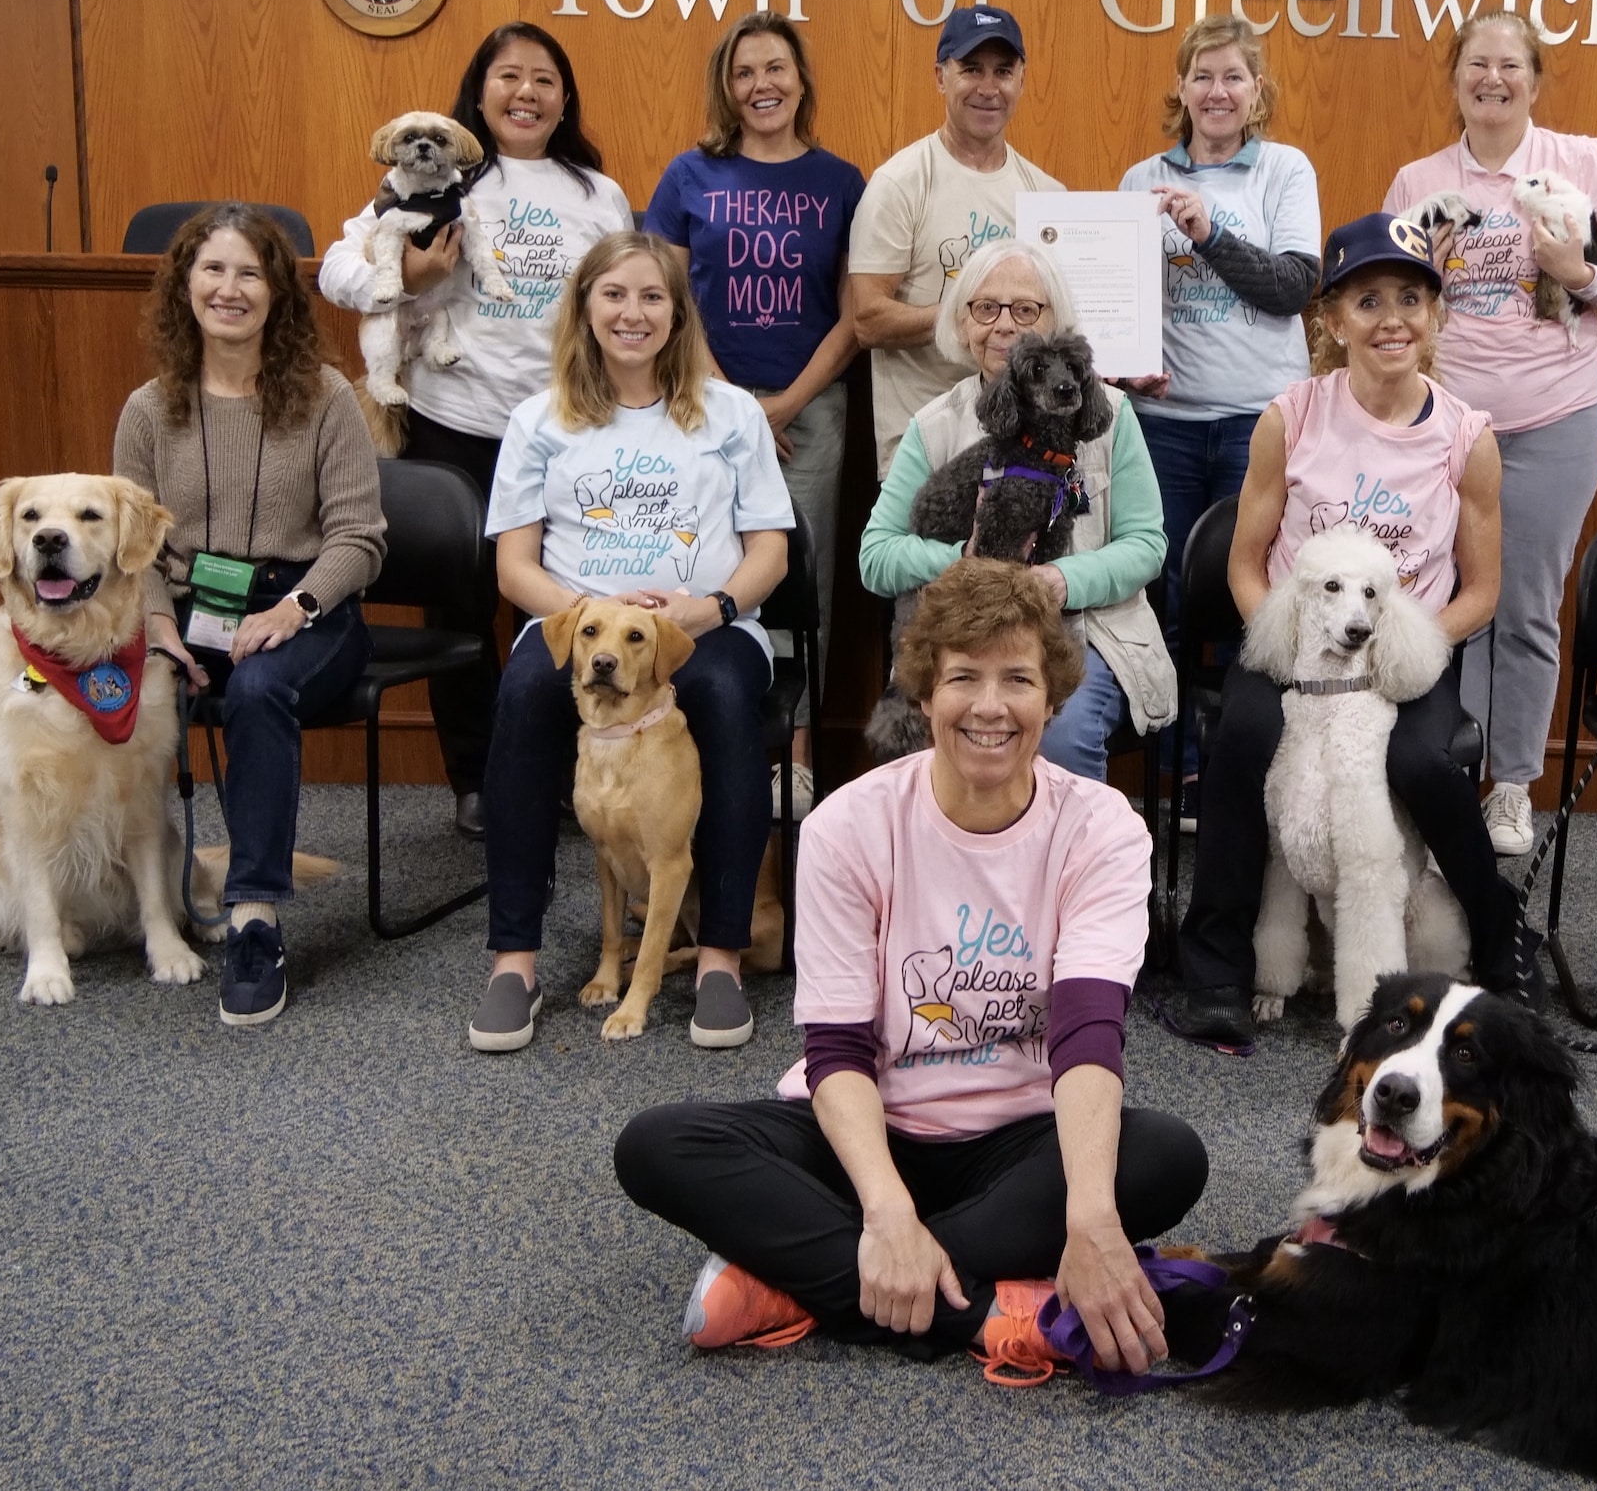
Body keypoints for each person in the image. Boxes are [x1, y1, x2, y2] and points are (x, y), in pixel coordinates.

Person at [613, 557, 1208, 1384]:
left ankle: (791, 1289)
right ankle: (988, 1310)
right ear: (924, 692)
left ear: (1052, 696)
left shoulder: (1103, 828)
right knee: (656, 1145)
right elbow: (839, 1054)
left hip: (1016, 1141)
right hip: (869, 1135)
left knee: (1167, 1156)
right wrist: (888, 1208)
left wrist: (1093, 1219)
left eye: (1019, 679)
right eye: (964, 676)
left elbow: (1086, 1040)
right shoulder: (847, 828)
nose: (991, 706)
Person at [0, 205, 384, 1028]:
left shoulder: (328, 396)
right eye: (212, 271)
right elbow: (132, 549)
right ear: (184, 287)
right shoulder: (149, 407)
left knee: (260, 690)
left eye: (249, 274)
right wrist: (156, 628)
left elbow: (360, 538)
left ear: (278, 294)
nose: (229, 289)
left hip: (304, 607)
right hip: (185, 611)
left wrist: (293, 607)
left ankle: (253, 921)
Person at [1164, 213, 1519, 1051]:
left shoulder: (1467, 438)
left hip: (1404, 650)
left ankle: (1503, 944)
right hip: (1297, 644)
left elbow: (1484, 591)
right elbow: (1247, 563)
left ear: (1435, 315)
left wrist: (1407, 655)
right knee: (1245, 735)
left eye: (1410, 298)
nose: (1390, 318)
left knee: (1424, 761)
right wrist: (1288, 648)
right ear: (1332, 320)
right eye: (1367, 301)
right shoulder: (1290, 417)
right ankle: (1214, 966)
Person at [466, 231, 791, 1055]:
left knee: (719, 697)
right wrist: (588, 618)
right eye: (614, 295)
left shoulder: (733, 411)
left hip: (703, 628)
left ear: (678, 315)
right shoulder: (538, 419)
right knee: (524, 693)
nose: (633, 313)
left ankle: (719, 955)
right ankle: (515, 959)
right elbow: (514, 565)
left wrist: (706, 608)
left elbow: (770, 553)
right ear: (584, 307)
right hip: (583, 627)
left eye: (653, 297)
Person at [321, 21, 632, 841]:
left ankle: (569, 772)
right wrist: (409, 276)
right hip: (453, 421)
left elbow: (626, 297)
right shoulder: (433, 175)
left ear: (565, 100)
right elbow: (336, 267)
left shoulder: (596, 193)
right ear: (479, 91)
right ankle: (478, 778)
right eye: (508, 77)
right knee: (459, 610)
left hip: (567, 429)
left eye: (543, 80)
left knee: (573, 612)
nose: (525, 93)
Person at [1382, 9, 1597, 861]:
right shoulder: (1419, 179)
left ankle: (1510, 787)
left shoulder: (1581, 162)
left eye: (1511, 66)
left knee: (1527, 607)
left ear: (1535, 81)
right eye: (1477, 64)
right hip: (1443, 426)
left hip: (1558, 419)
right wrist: (1418, 266)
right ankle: (1439, 777)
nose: (1493, 79)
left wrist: (1580, 275)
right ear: (1456, 78)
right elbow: (1386, 304)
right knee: (1437, 597)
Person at [643, 11, 865, 816]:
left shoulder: (841, 182)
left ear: (801, 81)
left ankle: (794, 756)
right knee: (702, 573)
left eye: (776, 69)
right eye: (744, 73)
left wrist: (788, 401)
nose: (761, 85)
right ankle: (693, 744)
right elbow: (665, 298)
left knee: (803, 585)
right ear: (725, 87)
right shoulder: (688, 176)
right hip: (699, 409)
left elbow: (855, 314)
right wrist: (737, 405)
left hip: (813, 411)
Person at [858, 239, 1175, 781]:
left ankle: (1066, 866)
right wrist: (966, 558)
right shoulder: (932, 425)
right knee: (941, 737)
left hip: (1086, 628)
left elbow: (1146, 545)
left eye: (1025, 310)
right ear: (962, 323)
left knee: (1061, 735)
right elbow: (877, 557)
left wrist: (1058, 579)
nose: (1004, 325)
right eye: (986, 308)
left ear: (1056, 322)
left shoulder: (1112, 415)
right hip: (963, 630)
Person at [1117, 14, 1321, 828]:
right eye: (1202, 75)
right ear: (1181, 88)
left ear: (1257, 91)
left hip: (1256, 424)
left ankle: (1242, 779)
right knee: (1160, 600)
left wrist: (1205, 229)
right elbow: (1120, 306)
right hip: (1159, 424)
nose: (1217, 91)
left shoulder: (1284, 170)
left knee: (1254, 604)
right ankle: (1174, 774)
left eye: (1234, 76)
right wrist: (1118, 362)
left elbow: (1292, 287)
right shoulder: (1141, 179)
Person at [848, 5, 1063, 478]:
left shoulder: (1048, 197)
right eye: (971, 70)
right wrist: (972, 319)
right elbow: (867, 319)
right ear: (941, 77)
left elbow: (1063, 324)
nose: (989, 88)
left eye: (1003, 71)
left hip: (1027, 450)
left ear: (1022, 81)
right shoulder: (899, 184)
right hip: (925, 451)